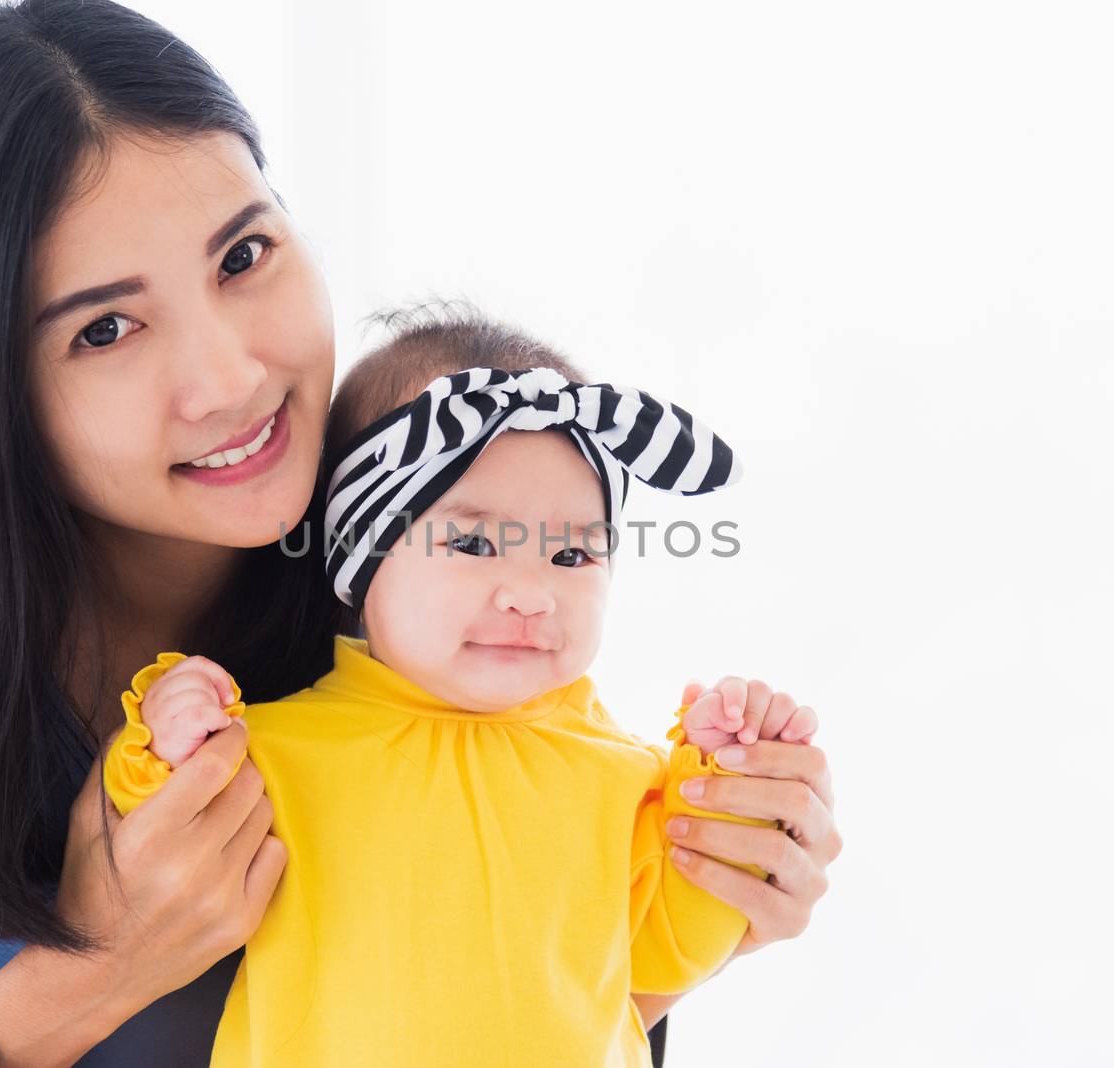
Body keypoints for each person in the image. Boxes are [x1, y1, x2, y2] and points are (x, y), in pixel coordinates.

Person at [0, 1, 842, 1064]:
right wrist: (95, 970)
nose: (230, 376)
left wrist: (701, 907)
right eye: (105, 328)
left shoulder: (406, 590)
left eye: (243, 257)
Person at [102, 322, 823, 1065]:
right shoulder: (281, 748)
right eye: (474, 545)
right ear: (362, 557)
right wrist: (166, 739)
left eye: (572, 553)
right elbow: (156, 841)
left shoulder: (625, 774)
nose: (531, 595)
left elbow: (670, 953)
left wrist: (728, 786)